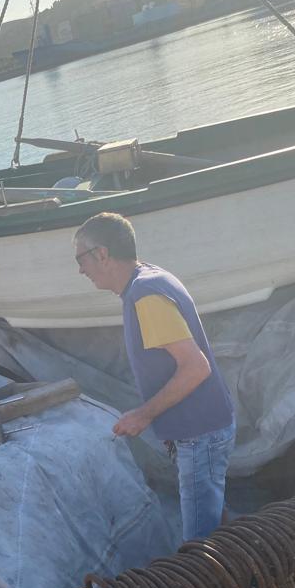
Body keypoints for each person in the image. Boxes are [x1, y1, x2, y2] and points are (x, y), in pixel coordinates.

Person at [74, 212, 235, 541]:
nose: (80, 270)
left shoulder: (145, 296)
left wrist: (144, 415)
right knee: (215, 524)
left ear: (102, 254)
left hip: (200, 435)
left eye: (81, 259)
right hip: (201, 430)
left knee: (200, 546)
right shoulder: (149, 279)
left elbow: (196, 367)